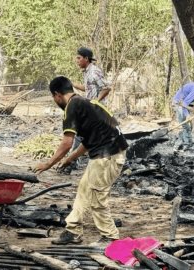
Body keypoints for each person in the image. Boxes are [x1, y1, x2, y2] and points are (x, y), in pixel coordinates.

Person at [34, 76, 128, 245]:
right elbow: (87, 142)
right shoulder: (84, 103)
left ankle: (110, 237)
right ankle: (73, 230)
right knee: (84, 190)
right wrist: (69, 159)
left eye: (54, 98)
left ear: (57, 95)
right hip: (107, 153)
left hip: (107, 156)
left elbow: (67, 142)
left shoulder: (72, 106)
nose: (55, 101)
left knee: (97, 198)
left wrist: (48, 164)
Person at [57, 47, 111, 175]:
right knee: (82, 136)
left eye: (79, 58)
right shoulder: (87, 72)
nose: (77, 60)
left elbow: (107, 88)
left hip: (96, 111)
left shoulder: (95, 72)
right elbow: (87, 89)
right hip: (89, 110)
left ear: (86, 58)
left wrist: (96, 101)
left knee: (81, 136)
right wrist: (73, 84)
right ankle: (72, 164)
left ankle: (70, 164)